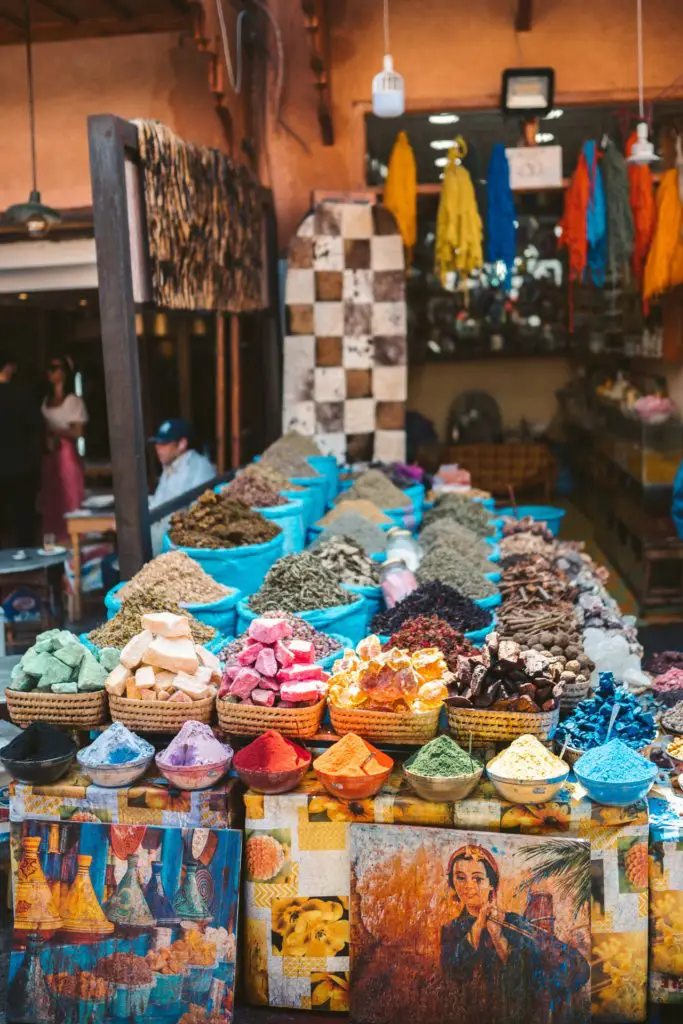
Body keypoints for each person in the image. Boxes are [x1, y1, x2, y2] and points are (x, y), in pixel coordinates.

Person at [440, 844, 590, 1023]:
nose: (468, 886)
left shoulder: (514, 923)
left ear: (491, 884)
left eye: (478, 879)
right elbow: (453, 973)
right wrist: (479, 925)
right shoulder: (452, 929)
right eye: (460, 878)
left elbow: (569, 969)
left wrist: (498, 937)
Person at [40, 355, 88, 543]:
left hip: (66, 452)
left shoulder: (73, 401)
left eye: (56, 367)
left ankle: (75, 540)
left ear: (65, 372)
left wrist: (55, 432)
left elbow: (78, 431)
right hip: (50, 453)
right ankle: (53, 540)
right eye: (49, 368)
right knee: (52, 498)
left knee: (70, 494)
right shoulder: (46, 400)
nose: (52, 372)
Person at [0, 349, 41, 548]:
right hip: (21, 466)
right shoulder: (22, 395)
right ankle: (27, 564)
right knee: (24, 517)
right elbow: (36, 426)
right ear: (10, 368)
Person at [149, 419, 215, 510]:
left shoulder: (197, 468)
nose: (158, 447)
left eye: (164, 443)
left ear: (182, 444)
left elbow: (192, 512)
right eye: (157, 443)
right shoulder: (170, 466)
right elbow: (159, 502)